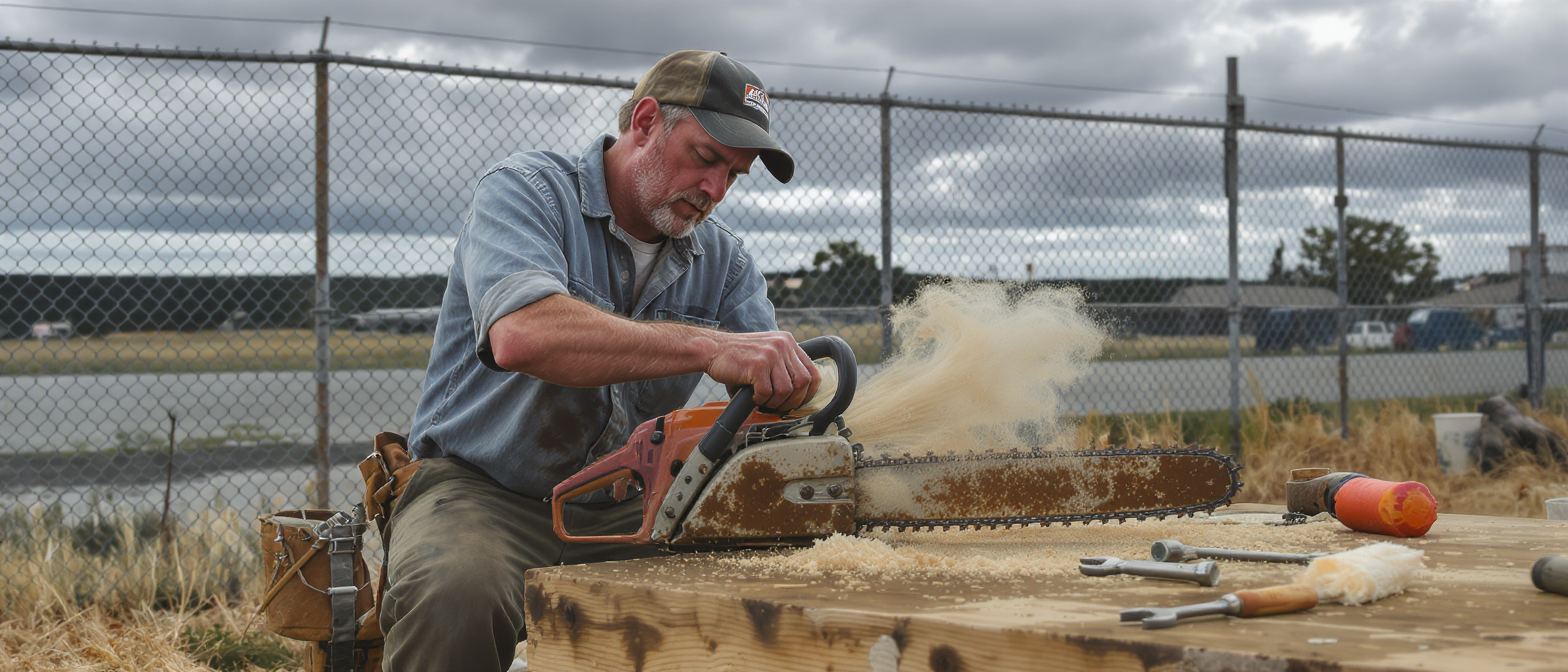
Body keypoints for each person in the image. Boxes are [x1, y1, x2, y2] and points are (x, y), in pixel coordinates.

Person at [378, 50, 821, 671]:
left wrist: (790, 386)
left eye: (734, 175)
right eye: (706, 158)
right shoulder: (526, 191)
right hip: (485, 492)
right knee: (458, 590)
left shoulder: (726, 263)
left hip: (636, 501)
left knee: (770, 585)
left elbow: (766, 388)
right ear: (645, 123)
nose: (716, 190)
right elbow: (523, 335)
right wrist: (709, 345)